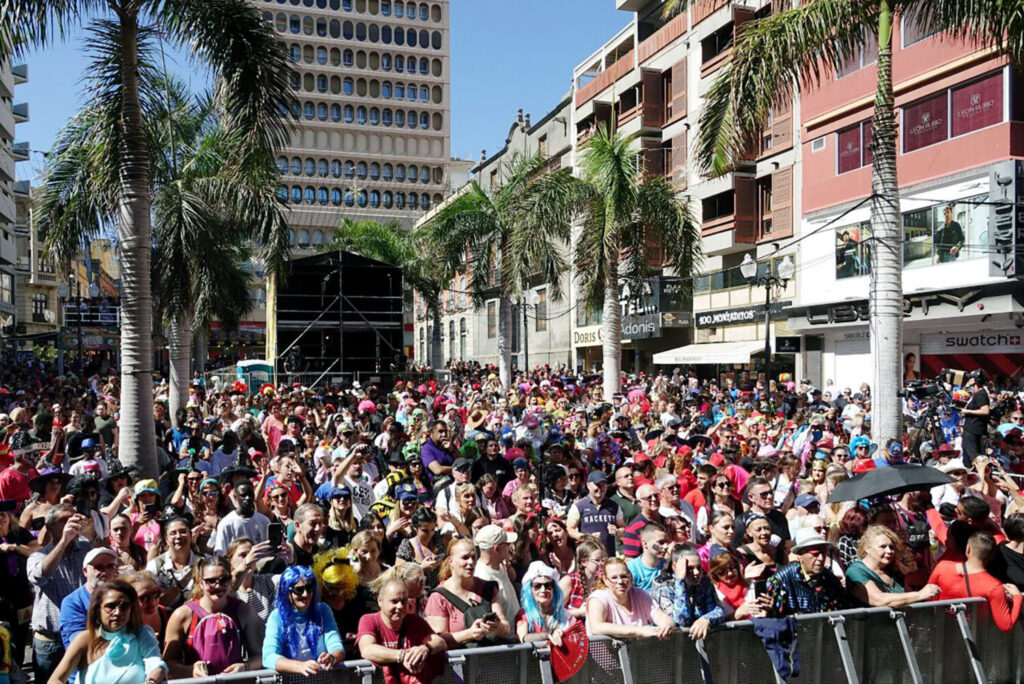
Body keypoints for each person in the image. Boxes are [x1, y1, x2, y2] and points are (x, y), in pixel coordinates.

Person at [48, 579, 168, 684]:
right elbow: (56, 679)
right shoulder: (84, 640)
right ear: (98, 609)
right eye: (110, 606)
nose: (118, 612)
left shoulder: (142, 633)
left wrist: (150, 682)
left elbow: (157, 666)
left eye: (124, 606)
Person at [162, 556, 263, 677]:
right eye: (211, 581)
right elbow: (167, 663)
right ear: (201, 583)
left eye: (224, 579)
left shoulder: (244, 611)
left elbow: (260, 656)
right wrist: (191, 671)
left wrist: (246, 667)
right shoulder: (183, 615)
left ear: (230, 579)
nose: (218, 586)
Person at [28, 505, 93, 683]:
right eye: (64, 520)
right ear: (49, 527)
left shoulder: (86, 548)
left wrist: (90, 531)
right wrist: (64, 541)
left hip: (81, 635)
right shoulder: (38, 556)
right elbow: (42, 575)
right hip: (51, 642)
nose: (70, 523)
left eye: (72, 518)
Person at [357, 579, 447, 684]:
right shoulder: (369, 620)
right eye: (394, 601)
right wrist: (402, 656)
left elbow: (440, 642)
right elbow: (367, 649)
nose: (400, 606)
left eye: (403, 601)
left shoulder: (414, 620)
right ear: (380, 601)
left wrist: (425, 648)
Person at [928, 532, 1022, 631]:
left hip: (939, 633)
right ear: (992, 556)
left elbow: (929, 599)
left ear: (968, 549)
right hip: (974, 637)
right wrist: (1017, 596)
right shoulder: (994, 586)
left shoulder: (942, 567)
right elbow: (1006, 625)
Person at [424, 538, 509, 647]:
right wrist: (470, 633)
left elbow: (506, 628)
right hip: (460, 662)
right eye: (465, 558)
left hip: (491, 660)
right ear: (451, 562)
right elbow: (437, 640)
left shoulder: (489, 588)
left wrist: (497, 627)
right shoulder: (438, 597)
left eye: (473, 557)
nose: (471, 562)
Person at [262, 565, 345, 675]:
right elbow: (268, 657)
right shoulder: (276, 617)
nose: (305, 594)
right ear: (287, 592)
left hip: (322, 679)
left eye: (309, 588)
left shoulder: (323, 610)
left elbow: (336, 644)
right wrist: (300, 666)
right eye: (299, 590)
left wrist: (332, 657)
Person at [845, 525, 941, 608]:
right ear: (867, 549)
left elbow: (906, 594)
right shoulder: (855, 571)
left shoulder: (893, 569)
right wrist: (920, 595)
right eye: (883, 546)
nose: (889, 551)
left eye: (891, 547)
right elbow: (879, 600)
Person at [764, 528, 848, 616]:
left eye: (823, 553)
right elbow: (775, 618)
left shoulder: (830, 579)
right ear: (800, 556)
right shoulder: (781, 580)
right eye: (815, 554)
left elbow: (840, 610)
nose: (821, 558)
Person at [586, 558, 675, 639]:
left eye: (624, 576)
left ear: (630, 577)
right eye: (614, 578)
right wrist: (639, 631)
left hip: (639, 654)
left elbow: (661, 617)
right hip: (607, 655)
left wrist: (666, 626)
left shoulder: (640, 594)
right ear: (605, 580)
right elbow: (596, 627)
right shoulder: (598, 598)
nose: (620, 581)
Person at [650, 544, 724, 639]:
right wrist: (680, 580)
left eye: (699, 567)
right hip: (670, 643)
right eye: (689, 569)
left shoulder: (704, 581)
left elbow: (718, 610)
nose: (697, 573)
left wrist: (706, 619)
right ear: (675, 567)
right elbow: (681, 621)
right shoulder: (662, 586)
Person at [58, 547, 120, 649]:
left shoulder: (121, 596)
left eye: (110, 566)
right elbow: (78, 642)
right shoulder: (72, 602)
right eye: (98, 567)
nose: (105, 571)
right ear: (85, 571)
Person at [145, 517, 201, 609]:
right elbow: (149, 601)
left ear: (190, 535)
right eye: (173, 533)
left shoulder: (203, 563)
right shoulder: (155, 566)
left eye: (183, 531)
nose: (178, 536)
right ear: (166, 539)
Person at [567, 471, 624, 557]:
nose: (601, 488)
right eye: (597, 484)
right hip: (588, 556)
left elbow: (624, 529)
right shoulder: (579, 506)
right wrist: (587, 537)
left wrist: (617, 531)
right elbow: (569, 530)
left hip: (609, 555)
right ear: (588, 485)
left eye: (604, 484)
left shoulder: (614, 506)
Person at [473, 525, 521, 624]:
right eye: (507, 544)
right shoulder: (482, 579)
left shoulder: (499, 565)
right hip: (508, 638)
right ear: (497, 549)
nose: (511, 546)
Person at [516, 561, 572, 644]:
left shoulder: (563, 613)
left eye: (548, 585)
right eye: (537, 586)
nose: (543, 590)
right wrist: (548, 635)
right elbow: (523, 638)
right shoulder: (523, 614)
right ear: (530, 590)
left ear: (554, 589)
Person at [212, 480, 270, 555]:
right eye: (243, 495)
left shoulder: (264, 521)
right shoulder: (226, 524)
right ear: (236, 497)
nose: (247, 498)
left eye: (250, 495)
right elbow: (220, 553)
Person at [559, 537, 607, 620]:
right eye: (597, 560)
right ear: (584, 562)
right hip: (571, 629)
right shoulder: (569, 581)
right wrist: (579, 612)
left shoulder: (603, 581)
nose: (601, 564)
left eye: (603, 560)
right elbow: (554, 612)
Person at [961, 370, 990, 465]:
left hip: (973, 430)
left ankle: (980, 476)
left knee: (975, 457)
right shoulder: (978, 393)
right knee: (969, 458)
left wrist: (967, 411)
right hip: (972, 429)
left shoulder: (980, 394)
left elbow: (985, 410)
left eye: (971, 378)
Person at [627, 523, 667, 592]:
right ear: (645, 544)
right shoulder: (632, 568)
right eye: (661, 542)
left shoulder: (667, 565)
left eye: (666, 542)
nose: (666, 546)